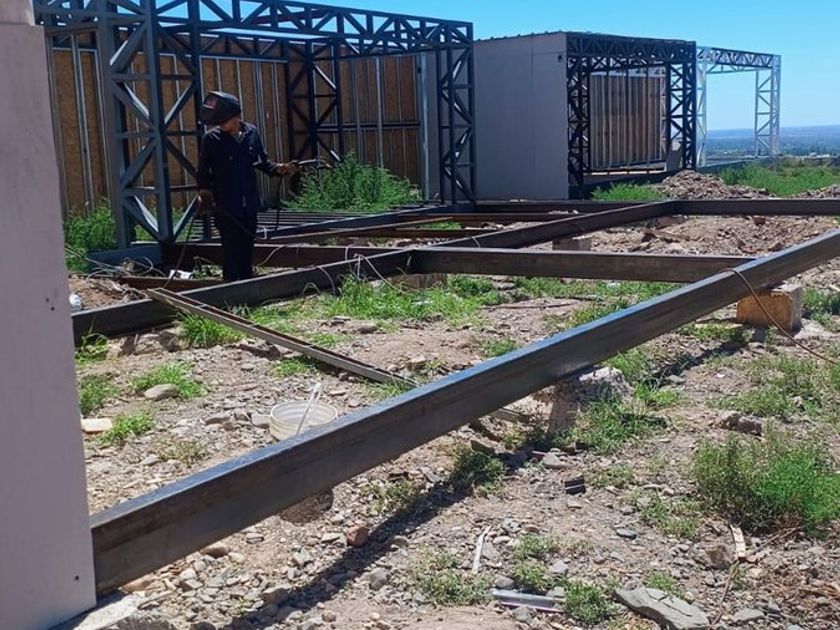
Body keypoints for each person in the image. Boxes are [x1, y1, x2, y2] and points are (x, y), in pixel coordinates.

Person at [196, 91, 298, 282]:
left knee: (246, 248)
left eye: (223, 121)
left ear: (235, 116)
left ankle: (247, 287)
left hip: (249, 204)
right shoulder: (211, 139)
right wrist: (204, 192)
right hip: (226, 206)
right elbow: (202, 171)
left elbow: (262, 162)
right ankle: (232, 289)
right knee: (231, 250)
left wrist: (280, 169)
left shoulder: (252, 133)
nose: (220, 125)